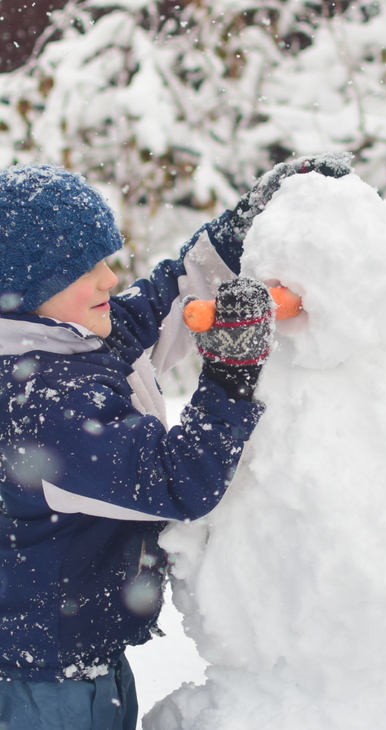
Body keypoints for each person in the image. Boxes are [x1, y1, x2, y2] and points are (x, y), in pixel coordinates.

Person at [0, 155, 351, 730]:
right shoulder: (38, 410)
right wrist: (230, 373)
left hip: (73, 656)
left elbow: (167, 305)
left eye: (106, 261)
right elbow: (178, 480)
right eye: (84, 270)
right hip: (45, 682)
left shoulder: (75, 341)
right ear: (23, 289)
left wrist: (238, 231)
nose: (109, 280)